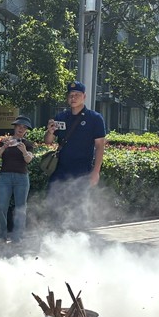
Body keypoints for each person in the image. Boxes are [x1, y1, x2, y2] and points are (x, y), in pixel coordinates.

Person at [43, 81, 107, 226]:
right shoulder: (61, 117)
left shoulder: (95, 118)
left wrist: (96, 172)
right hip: (60, 170)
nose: (73, 98)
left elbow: (100, 147)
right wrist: (50, 131)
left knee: (78, 209)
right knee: (54, 205)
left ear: (84, 96)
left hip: (82, 171)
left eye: (77, 94)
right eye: (71, 95)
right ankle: (56, 235)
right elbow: (48, 141)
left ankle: (78, 236)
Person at [0, 115, 35, 245]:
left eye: (24, 128)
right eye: (19, 126)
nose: (21, 129)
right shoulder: (4, 141)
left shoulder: (28, 144)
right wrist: (4, 147)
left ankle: (17, 238)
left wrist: (24, 151)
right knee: (1, 207)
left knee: (20, 208)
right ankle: (1, 237)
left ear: (26, 130)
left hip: (22, 178)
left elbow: (28, 159)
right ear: (15, 127)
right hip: (5, 177)